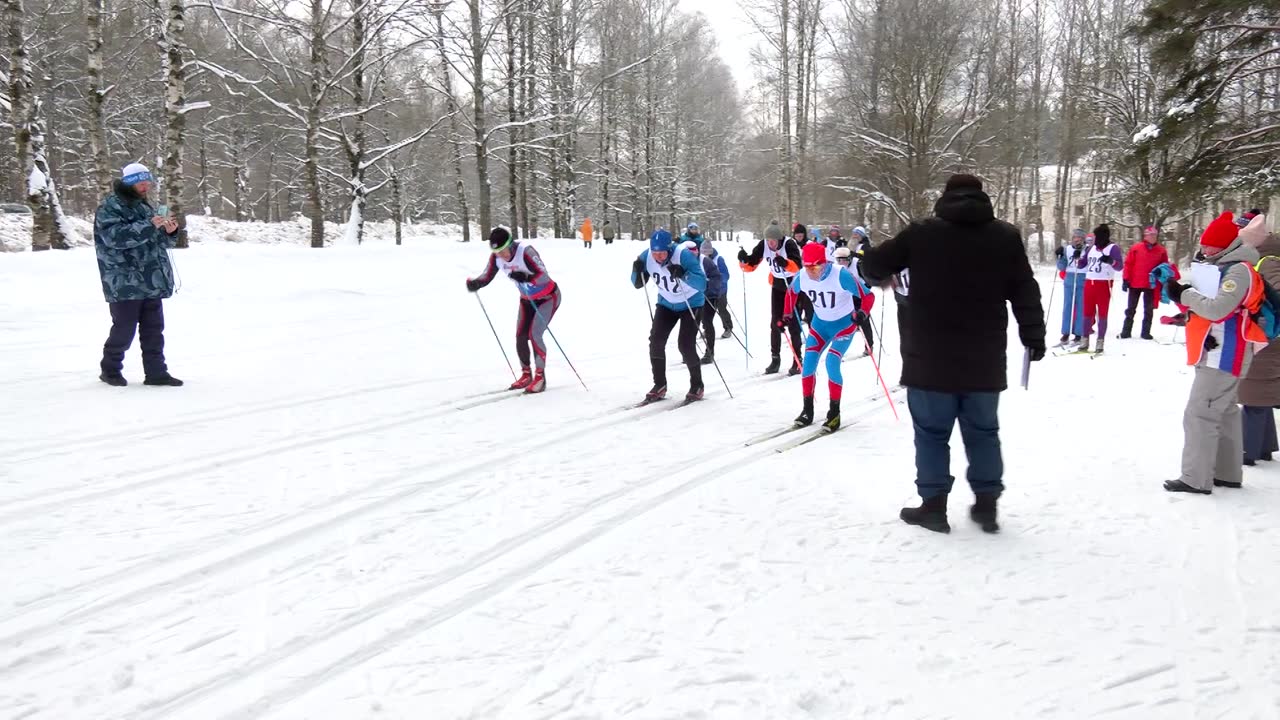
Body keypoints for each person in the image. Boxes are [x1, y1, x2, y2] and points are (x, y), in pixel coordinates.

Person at [859, 173, 1044, 534]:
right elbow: (1025, 289)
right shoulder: (1005, 237)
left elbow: (875, 265)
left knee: (931, 433)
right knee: (983, 432)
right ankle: (987, 504)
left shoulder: (922, 233)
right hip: (984, 359)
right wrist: (1033, 335)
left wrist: (870, 262)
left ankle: (933, 507)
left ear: (945, 198)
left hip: (929, 358)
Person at [1164, 212, 1265, 493]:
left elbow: (1218, 309)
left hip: (1225, 354)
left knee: (1200, 413)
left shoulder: (1238, 271)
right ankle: (1227, 473)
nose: (1205, 249)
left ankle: (1195, 478)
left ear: (1225, 245)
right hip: (1221, 350)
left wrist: (1184, 294)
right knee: (1225, 411)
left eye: (1210, 245)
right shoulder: (1223, 266)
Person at [95, 162, 183, 388]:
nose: (146, 187)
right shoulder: (110, 207)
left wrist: (170, 232)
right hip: (124, 280)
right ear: (129, 184)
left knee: (154, 330)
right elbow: (114, 238)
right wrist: (148, 225)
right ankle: (110, 370)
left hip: (151, 279)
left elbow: (157, 241)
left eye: (147, 183)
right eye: (141, 184)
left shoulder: (145, 207)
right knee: (124, 330)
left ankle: (157, 373)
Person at [786, 243, 872, 431]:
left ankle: (834, 413)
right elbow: (791, 292)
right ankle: (807, 410)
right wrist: (787, 314)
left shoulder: (841, 275)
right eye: (807, 267)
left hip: (843, 326)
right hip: (820, 326)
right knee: (808, 363)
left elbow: (868, 296)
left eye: (815, 267)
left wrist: (862, 313)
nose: (811, 272)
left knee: (832, 362)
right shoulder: (802, 276)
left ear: (824, 263)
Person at [466, 226, 560, 394]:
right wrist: (476, 283)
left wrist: (527, 277)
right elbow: (487, 276)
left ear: (510, 244)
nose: (501, 255)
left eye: (503, 251)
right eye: (497, 252)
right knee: (521, 336)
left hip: (548, 298)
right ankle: (526, 375)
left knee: (535, 334)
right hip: (527, 299)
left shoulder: (526, 252)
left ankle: (540, 377)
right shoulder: (496, 257)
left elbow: (544, 276)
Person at [631, 229, 709, 404]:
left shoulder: (683, 255)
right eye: (655, 253)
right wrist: (637, 271)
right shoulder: (647, 256)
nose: (658, 257)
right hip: (666, 303)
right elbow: (637, 283)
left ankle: (697, 385)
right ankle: (659, 385)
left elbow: (702, 284)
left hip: (691, 302)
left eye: (662, 253)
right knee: (656, 341)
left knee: (685, 344)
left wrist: (684, 274)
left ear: (669, 248)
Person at [1235, 212, 1276, 468]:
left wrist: (1258, 313)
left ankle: (1247, 449)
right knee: (1263, 390)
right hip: (1268, 333)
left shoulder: (1267, 261)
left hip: (1268, 335)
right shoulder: (1266, 258)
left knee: (1255, 391)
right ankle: (1264, 446)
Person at [738, 220, 804, 375]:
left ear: (779, 239)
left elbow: (798, 266)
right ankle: (775, 359)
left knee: (793, 323)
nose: (771, 243)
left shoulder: (789, 244)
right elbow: (752, 264)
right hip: (778, 286)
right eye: (768, 240)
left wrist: (785, 263)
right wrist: (744, 260)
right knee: (775, 323)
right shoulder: (764, 245)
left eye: (773, 240)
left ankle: (797, 359)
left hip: (794, 286)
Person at [1077, 223, 1123, 354]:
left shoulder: (1112, 248)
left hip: (1103, 284)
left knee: (1102, 314)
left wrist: (1111, 261)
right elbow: (1081, 264)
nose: (1095, 239)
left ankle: (1100, 341)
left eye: (1097, 237)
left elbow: (1120, 267)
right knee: (1087, 313)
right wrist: (1077, 256)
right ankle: (1084, 340)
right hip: (1089, 283)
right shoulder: (1091, 248)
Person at [1120, 226, 1170, 340]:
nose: (1153, 237)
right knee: (1131, 309)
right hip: (1135, 282)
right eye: (1150, 235)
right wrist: (1126, 279)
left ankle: (1146, 332)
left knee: (1148, 310)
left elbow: (1165, 266)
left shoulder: (1161, 250)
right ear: (1145, 236)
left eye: (1155, 235)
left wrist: (1161, 272)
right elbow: (1128, 264)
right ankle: (1126, 331)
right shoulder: (1136, 248)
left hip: (1151, 284)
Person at [835, 246, 876, 355]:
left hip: (860, 295)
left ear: (849, 258)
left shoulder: (858, 264)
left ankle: (869, 345)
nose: (842, 262)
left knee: (863, 320)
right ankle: (839, 348)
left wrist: (865, 290)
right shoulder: (837, 267)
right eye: (839, 260)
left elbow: (868, 281)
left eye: (844, 260)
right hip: (846, 296)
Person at [1054, 229, 1087, 346]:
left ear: (1083, 239)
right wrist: (1059, 256)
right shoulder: (1067, 249)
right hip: (1069, 279)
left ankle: (1078, 334)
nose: (1077, 240)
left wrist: (1080, 258)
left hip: (1082, 278)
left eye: (1080, 238)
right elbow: (1062, 267)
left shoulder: (1087, 250)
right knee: (1067, 305)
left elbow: (1088, 263)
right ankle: (1065, 333)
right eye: (1075, 237)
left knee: (1080, 307)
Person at [700, 237, 733, 349]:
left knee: (722, 309)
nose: (704, 255)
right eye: (703, 252)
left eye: (706, 252)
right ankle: (707, 329)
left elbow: (726, 275)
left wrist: (716, 279)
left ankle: (728, 328)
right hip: (708, 291)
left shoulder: (718, 259)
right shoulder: (701, 260)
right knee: (705, 311)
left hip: (720, 290)